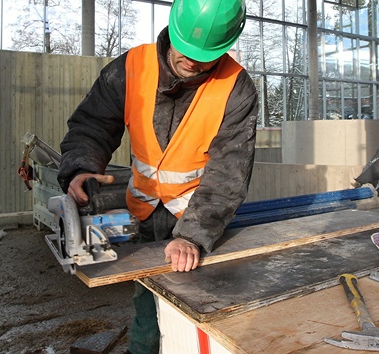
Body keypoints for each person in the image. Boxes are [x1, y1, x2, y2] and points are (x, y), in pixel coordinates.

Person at [56, 0, 258, 353]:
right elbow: (93, 124)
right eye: (186, 49)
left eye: (205, 55)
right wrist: (81, 166)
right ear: (173, 28)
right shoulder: (132, 67)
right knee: (147, 310)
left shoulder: (236, 88)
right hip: (145, 214)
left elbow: (229, 171)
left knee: (194, 314)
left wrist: (192, 236)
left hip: (198, 221)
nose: (192, 61)